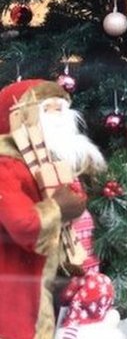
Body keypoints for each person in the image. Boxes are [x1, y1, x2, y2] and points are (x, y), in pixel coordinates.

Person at [0, 79, 90, 339]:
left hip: (31, 283)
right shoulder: (6, 167)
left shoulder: (41, 162)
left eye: (63, 107)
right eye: (50, 109)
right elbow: (23, 224)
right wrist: (58, 207)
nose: (61, 116)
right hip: (12, 290)